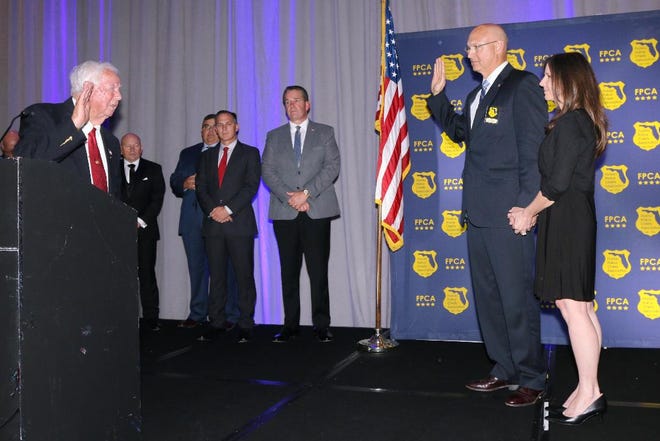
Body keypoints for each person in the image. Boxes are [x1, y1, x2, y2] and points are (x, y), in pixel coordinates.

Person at [427, 24, 547, 406]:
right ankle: (504, 368)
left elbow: (533, 151)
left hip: (509, 212)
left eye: (475, 47)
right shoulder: (476, 92)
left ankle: (532, 376)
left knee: (516, 298)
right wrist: (438, 98)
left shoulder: (522, 86)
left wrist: (527, 207)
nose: (469, 55)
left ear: (499, 47)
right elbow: (463, 134)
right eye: (467, 48)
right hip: (477, 213)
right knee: (489, 298)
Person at [508, 52, 608, 424]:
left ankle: (592, 390)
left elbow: (556, 185)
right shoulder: (577, 122)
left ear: (568, 80)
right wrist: (536, 212)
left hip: (567, 219)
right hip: (568, 218)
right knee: (578, 306)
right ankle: (588, 388)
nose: (541, 82)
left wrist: (527, 212)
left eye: (548, 76)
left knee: (574, 306)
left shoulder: (571, 125)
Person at [262, 85, 341, 343]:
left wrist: (306, 194)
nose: (291, 105)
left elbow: (332, 167)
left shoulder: (325, 133)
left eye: (296, 100)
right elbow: (268, 172)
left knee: (318, 271)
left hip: (316, 210)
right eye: (287, 101)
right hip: (286, 212)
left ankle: (321, 325)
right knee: (289, 271)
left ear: (308, 104)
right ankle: (290, 325)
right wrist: (293, 198)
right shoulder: (274, 136)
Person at [195, 110, 261, 343]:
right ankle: (217, 321)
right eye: (218, 125)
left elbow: (250, 186)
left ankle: (245, 323)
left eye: (227, 124)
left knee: (244, 276)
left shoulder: (250, 153)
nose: (222, 128)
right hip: (213, 224)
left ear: (237, 126)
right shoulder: (206, 156)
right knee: (217, 276)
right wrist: (214, 211)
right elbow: (201, 188)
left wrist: (228, 210)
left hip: (239, 224)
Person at [170, 114, 241, 329]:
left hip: (219, 219)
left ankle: (229, 314)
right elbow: (174, 182)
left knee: (226, 269)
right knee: (197, 268)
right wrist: (184, 182)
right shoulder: (188, 153)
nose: (210, 131)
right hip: (192, 220)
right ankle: (197, 313)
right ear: (201, 131)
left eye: (214, 127)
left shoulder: (228, 153)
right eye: (205, 127)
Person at [14, 60, 122, 197]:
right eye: (112, 88)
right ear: (87, 89)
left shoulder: (111, 141)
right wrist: (74, 125)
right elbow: (25, 161)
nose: (119, 96)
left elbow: (115, 197)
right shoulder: (43, 116)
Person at [119, 133, 166, 331]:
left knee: (147, 275)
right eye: (128, 146)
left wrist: (139, 221)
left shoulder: (154, 169)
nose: (132, 149)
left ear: (141, 147)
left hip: (145, 232)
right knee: (121, 276)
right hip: (118, 232)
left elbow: (157, 200)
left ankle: (151, 318)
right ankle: (123, 317)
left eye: (135, 145)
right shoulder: (112, 169)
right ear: (121, 149)